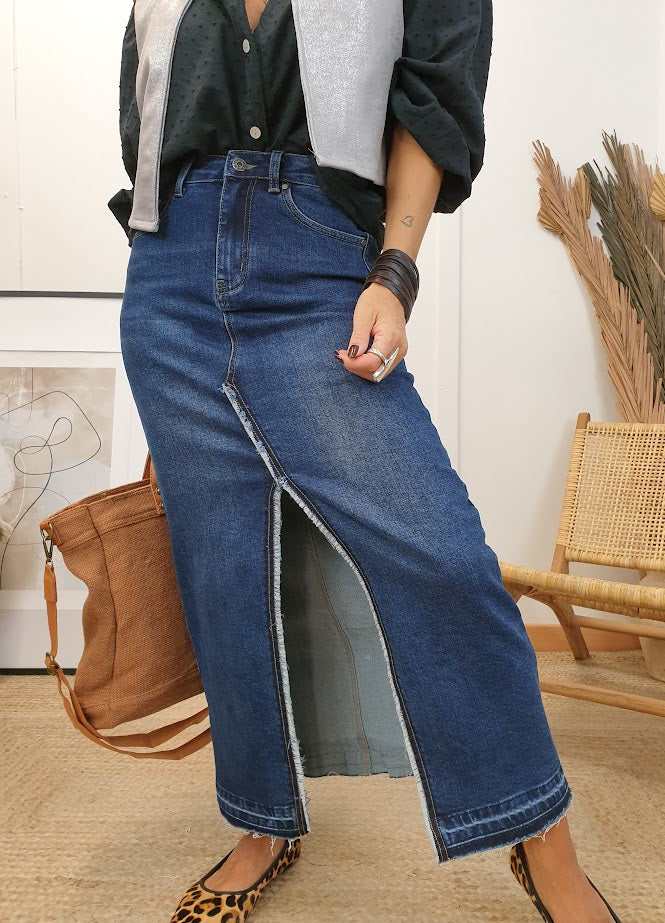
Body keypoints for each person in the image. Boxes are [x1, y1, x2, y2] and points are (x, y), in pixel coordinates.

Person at [111, 1, 621, 921]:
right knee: (224, 568)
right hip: (170, 276)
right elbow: (145, 111)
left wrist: (395, 272)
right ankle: (262, 822)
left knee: (439, 553)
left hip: (319, 261)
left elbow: (437, 93)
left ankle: (540, 834)